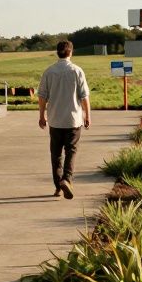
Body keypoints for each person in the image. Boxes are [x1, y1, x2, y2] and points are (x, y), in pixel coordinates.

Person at [37, 40, 91, 199]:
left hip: (55, 120)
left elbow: (42, 96)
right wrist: (88, 115)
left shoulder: (49, 72)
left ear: (57, 52)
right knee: (71, 151)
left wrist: (42, 115)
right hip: (73, 120)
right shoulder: (77, 71)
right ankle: (66, 179)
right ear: (71, 52)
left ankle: (58, 187)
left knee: (56, 154)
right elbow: (84, 96)